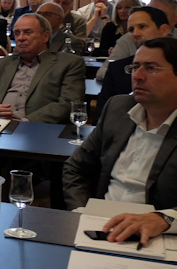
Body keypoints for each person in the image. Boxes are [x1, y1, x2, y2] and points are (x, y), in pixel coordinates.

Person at [63, 37, 177, 247]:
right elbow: (76, 168)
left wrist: (165, 219)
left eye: (151, 68)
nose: (138, 76)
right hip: (100, 225)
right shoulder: (118, 108)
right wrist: (81, 212)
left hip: (158, 237)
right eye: (135, 67)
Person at [0, 13, 85, 125]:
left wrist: (25, 122)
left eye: (27, 32)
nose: (20, 38)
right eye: (17, 33)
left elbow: (67, 103)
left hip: (37, 127)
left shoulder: (68, 64)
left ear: (45, 36)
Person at [95, 7, 171, 119]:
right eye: (131, 29)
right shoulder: (117, 69)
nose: (135, 34)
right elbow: (101, 118)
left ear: (164, 30)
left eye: (142, 27)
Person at [97, 0, 177, 81]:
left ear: (174, 20)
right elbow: (103, 72)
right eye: (148, 11)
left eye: (161, 13)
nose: (152, 16)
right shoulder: (128, 38)